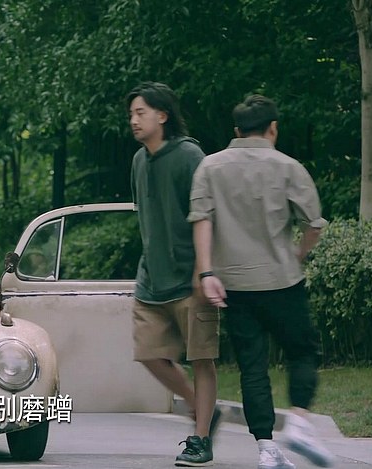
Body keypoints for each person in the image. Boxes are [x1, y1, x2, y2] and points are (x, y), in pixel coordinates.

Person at [188, 94, 334, 469]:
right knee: (302, 352)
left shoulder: (209, 167)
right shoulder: (288, 167)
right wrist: (297, 254)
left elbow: (201, 219)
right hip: (282, 280)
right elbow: (313, 225)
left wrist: (207, 273)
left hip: (234, 285)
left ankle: (267, 449)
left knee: (253, 368)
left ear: (237, 130)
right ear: (273, 128)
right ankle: (298, 422)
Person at [127, 82, 221, 467]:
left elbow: (209, 215)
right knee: (148, 354)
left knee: (202, 359)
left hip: (191, 278)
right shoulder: (138, 161)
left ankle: (201, 438)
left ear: (162, 115)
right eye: (132, 114)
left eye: (141, 112)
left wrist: (205, 270)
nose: (134, 120)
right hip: (151, 279)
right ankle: (201, 409)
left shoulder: (189, 156)